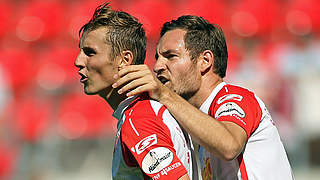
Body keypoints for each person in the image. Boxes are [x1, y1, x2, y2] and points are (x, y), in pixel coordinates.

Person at [113, 15, 294, 179]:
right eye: (158, 57)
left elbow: (229, 145)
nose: (158, 66)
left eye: (171, 56)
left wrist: (163, 94)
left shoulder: (234, 97)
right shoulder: (200, 122)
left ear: (205, 61)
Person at [74, 3, 197, 180]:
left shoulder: (139, 120)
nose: (78, 61)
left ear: (124, 60)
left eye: (90, 53)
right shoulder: (148, 111)